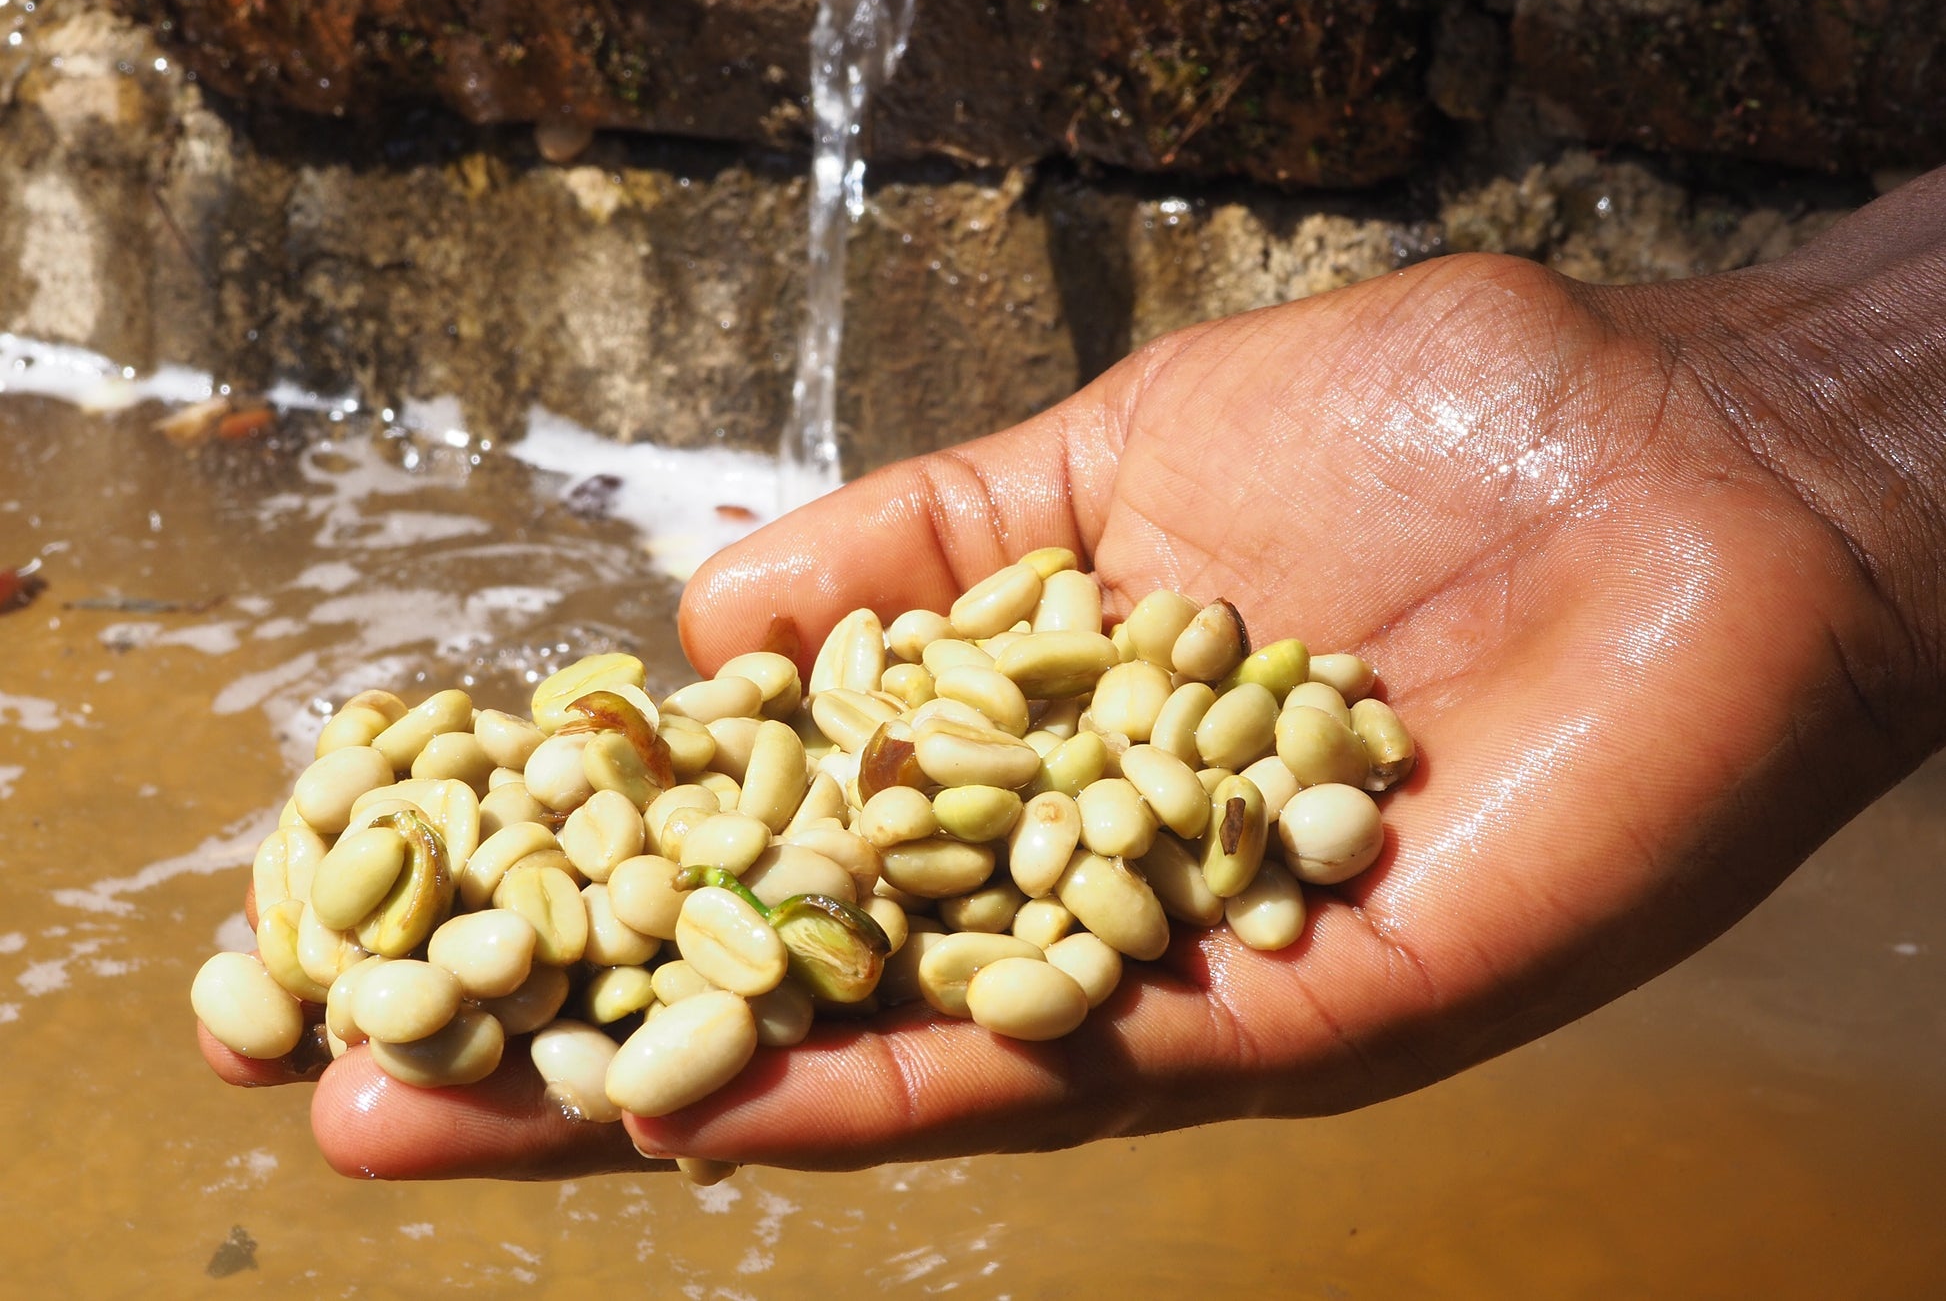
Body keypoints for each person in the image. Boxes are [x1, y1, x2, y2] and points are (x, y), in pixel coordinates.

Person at [201, 166, 1946, 1180]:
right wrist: (1796, 440)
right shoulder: (778, 823)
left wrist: (1799, 452)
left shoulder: (1065, 785)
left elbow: (1019, 822)